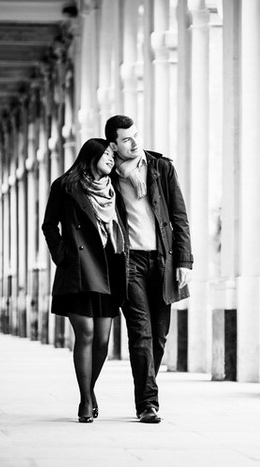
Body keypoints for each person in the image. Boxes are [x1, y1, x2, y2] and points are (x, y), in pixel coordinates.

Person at [105, 114, 192, 424]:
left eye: (136, 135)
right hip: (129, 263)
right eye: (126, 139)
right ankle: (147, 404)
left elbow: (179, 216)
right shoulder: (108, 176)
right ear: (113, 145)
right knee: (140, 333)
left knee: (159, 337)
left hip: (163, 260)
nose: (134, 142)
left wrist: (184, 261)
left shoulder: (160, 168)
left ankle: (146, 389)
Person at [42, 138, 126, 423]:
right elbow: (49, 225)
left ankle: (89, 389)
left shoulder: (114, 189)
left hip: (108, 266)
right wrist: (62, 254)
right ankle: (86, 400)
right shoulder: (65, 186)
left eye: (112, 156)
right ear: (91, 155)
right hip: (78, 268)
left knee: (103, 339)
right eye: (106, 155)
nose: (111, 160)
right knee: (86, 333)